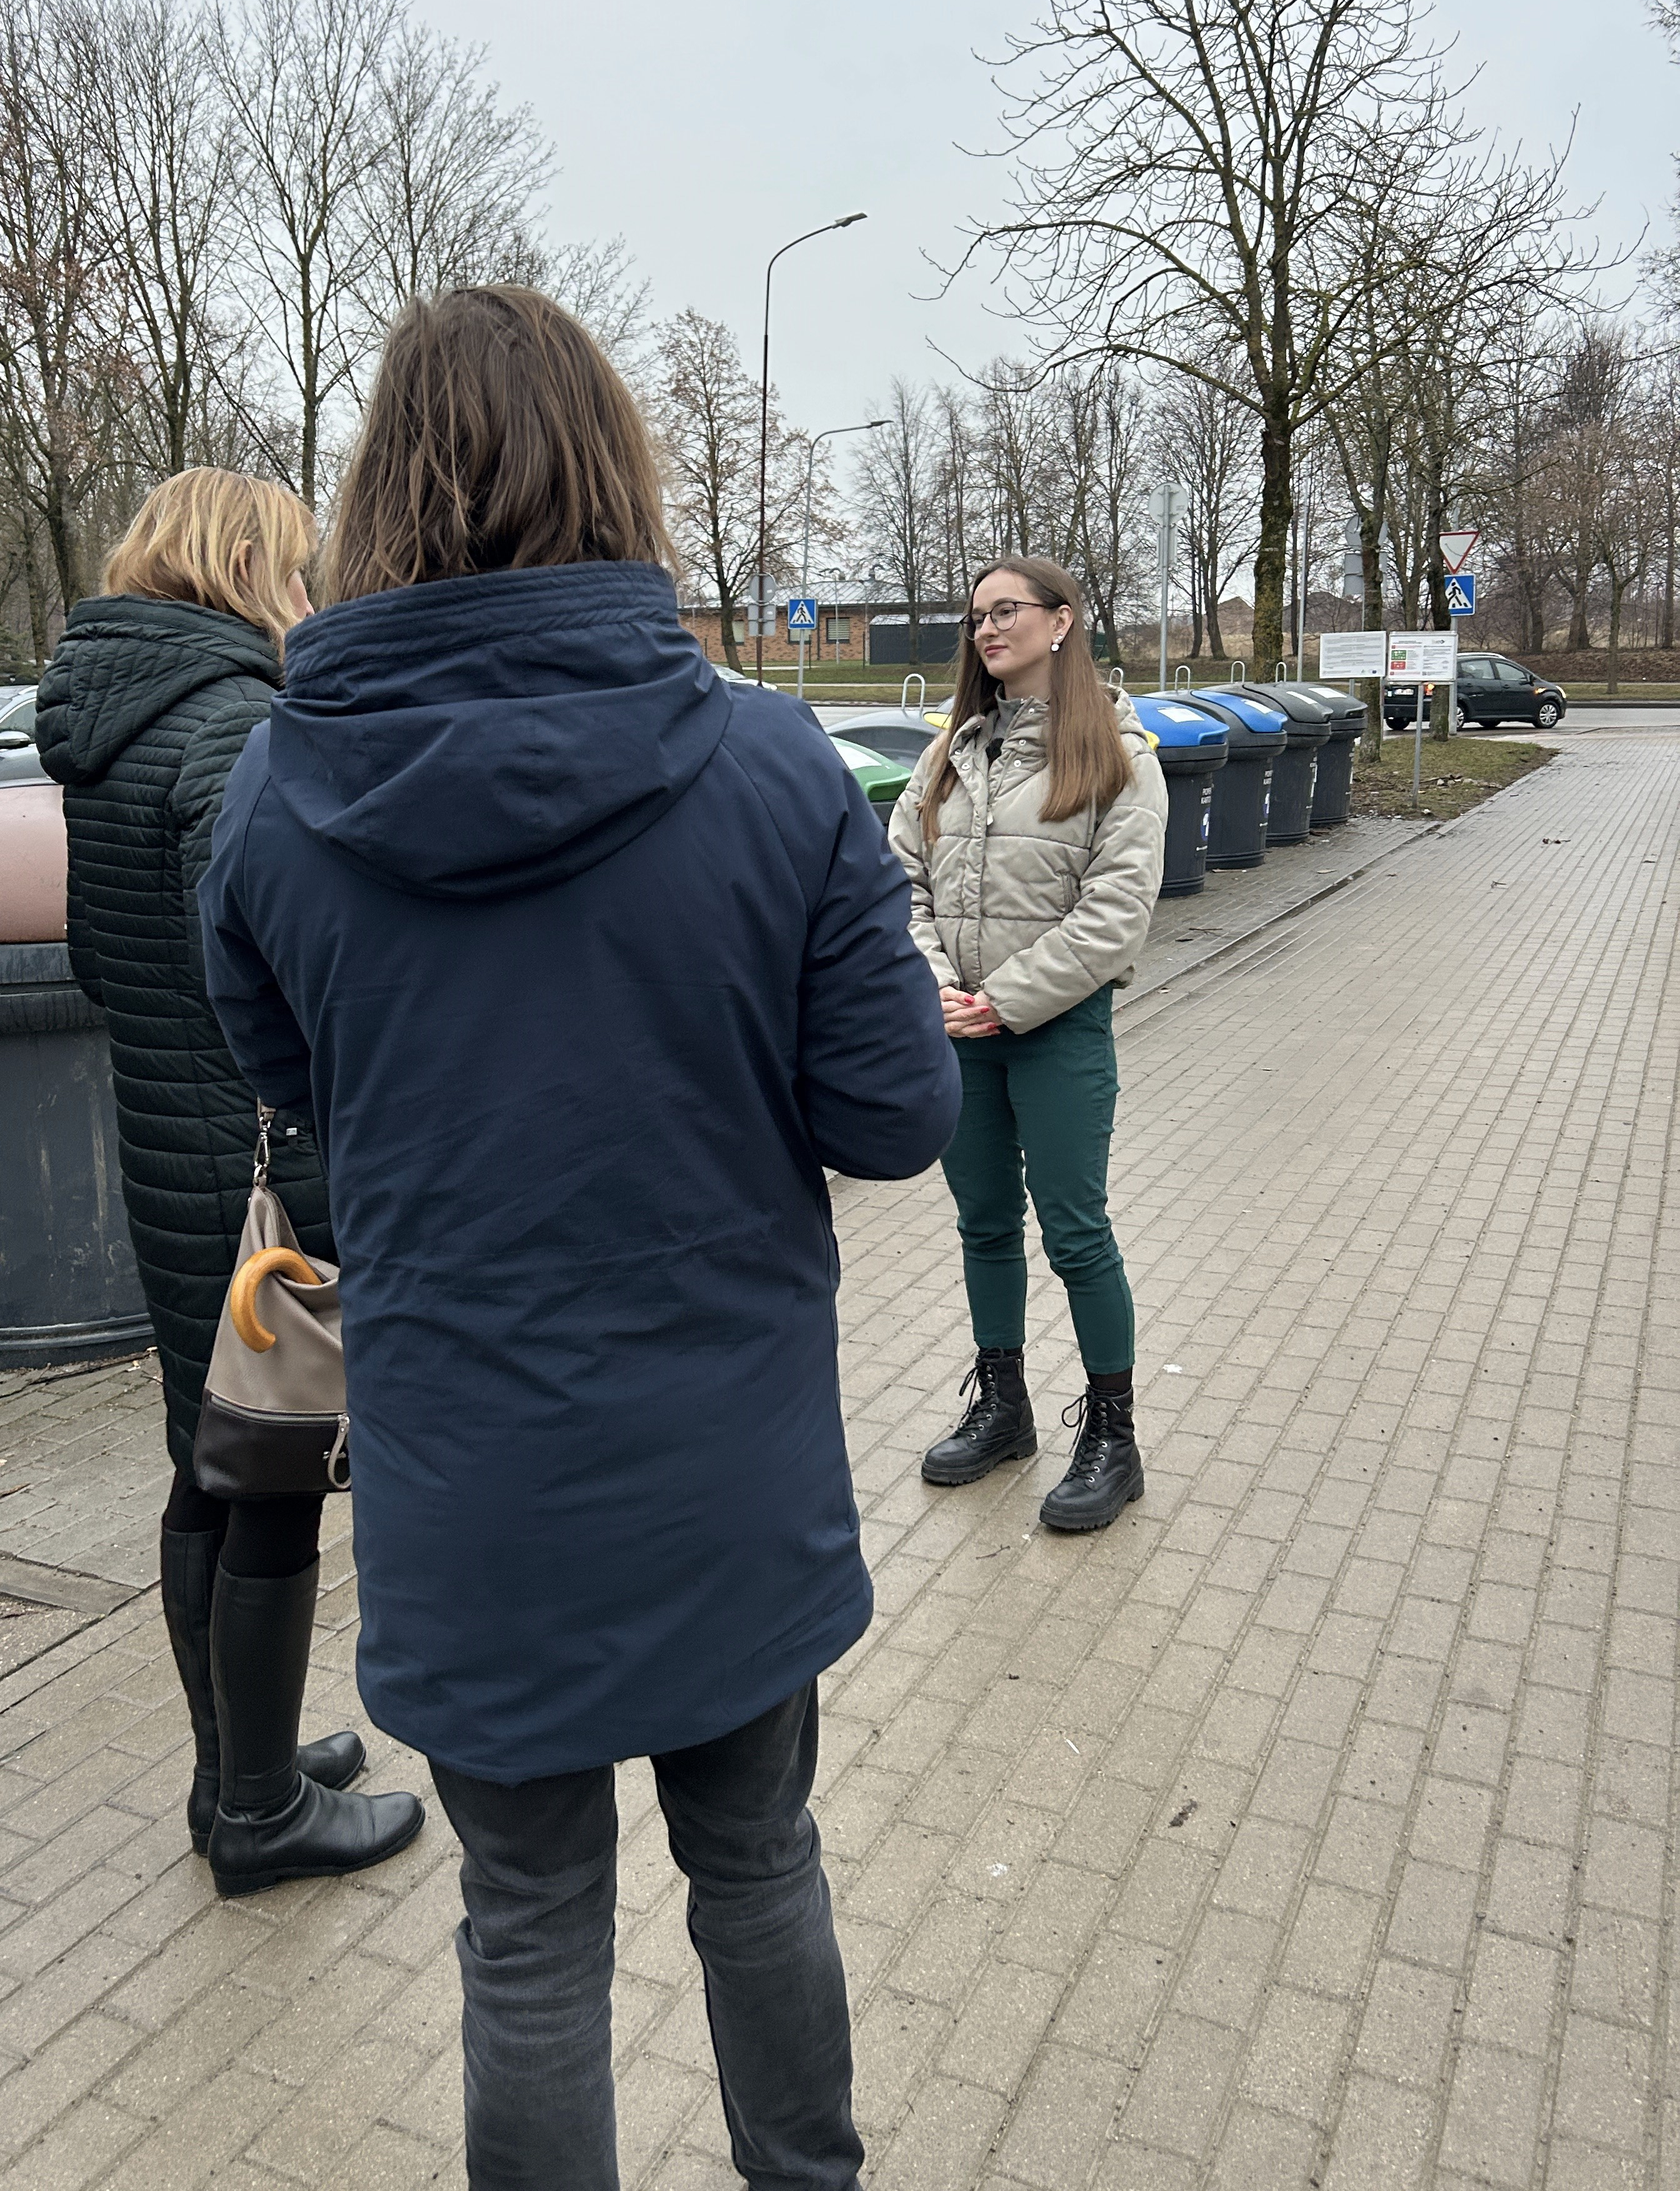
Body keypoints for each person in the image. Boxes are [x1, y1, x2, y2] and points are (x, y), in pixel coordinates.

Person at [197, 288, 959, 2190]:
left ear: (381, 493)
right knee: (760, 1867)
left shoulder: (272, 811)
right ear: (619, 470)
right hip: (724, 1469)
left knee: (527, 1937)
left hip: (473, 1481)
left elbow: (310, 1098)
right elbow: (898, 1114)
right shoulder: (777, 770)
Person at [35, 469, 424, 1896]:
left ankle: (233, 1773)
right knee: (272, 1482)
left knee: (206, 1470)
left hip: (164, 1150)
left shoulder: (104, 731)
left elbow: (96, 959)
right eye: (302, 568)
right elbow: (274, 969)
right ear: (251, 563)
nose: (313, 595)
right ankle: (259, 1817)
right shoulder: (237, 726)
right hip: (263, 1171)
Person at [889, 556, 1166, 1532]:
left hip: (1055, 1033)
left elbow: (1116, 915)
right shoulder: (950, 754)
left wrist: (1004, 999)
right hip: (960, 1031)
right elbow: (902, 881)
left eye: (1006, 612)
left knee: (1077, 1233)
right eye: (976, 618)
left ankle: (1114, 1439)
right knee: (983, 1226)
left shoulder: (1118, 754)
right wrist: (936, 988)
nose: (987, 630)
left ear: (1062, 622)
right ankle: (1004, 1409)